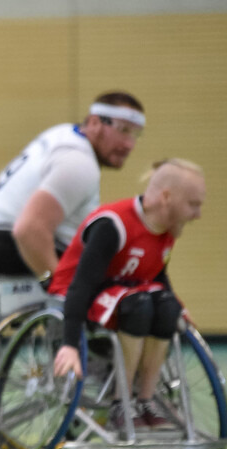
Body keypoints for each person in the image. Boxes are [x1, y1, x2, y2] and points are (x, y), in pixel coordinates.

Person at [50, 159, 206, 432]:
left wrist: (177, 306)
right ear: (166, 198)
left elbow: (154, 274)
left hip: (125, 295)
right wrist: (69, 343)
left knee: (166, 307)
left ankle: (145, 400)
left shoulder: (167, 230)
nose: (198, 214)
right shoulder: (114, 224)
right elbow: (81, 284)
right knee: (140, 305)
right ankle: (121, 402)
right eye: (193, 204)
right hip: (77, 297)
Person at [0, 91, 145, 284]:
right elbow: (29, 229)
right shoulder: (79, 163)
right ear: (94, 123)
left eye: (135, 134)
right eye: (123, 130)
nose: (129, 144)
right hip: (12, 249)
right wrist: (62, 290)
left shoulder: (62, 134)